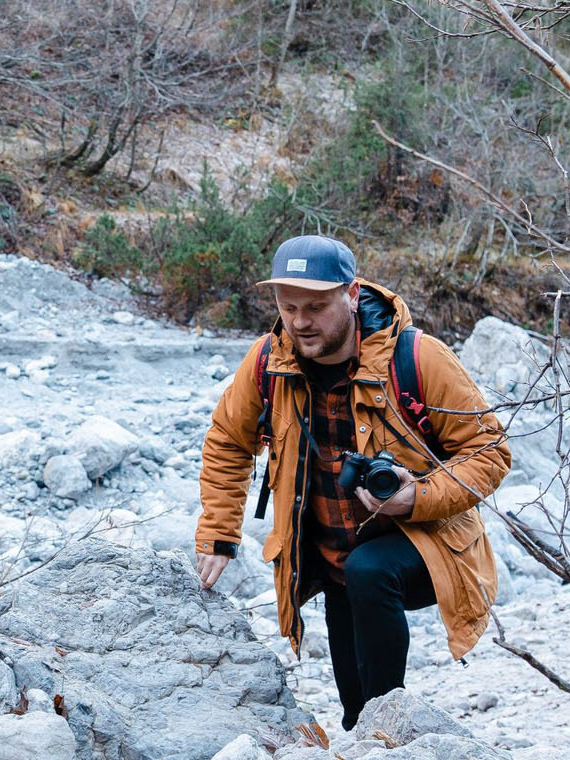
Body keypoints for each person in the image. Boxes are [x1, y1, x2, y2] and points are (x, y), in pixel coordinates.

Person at [194, 234, 511, 729]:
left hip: (424, 543)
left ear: (351, 292)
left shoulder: (419, 358)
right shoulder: (267, 363)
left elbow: (490, 451)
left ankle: (392, 730)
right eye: (288, 306)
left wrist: (418, 496)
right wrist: (218, 533)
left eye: (316, 306)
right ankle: (368, 740)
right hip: (334, 558)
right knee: (353, 708)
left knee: (368, 575)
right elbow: (227, 440)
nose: (300, 321)